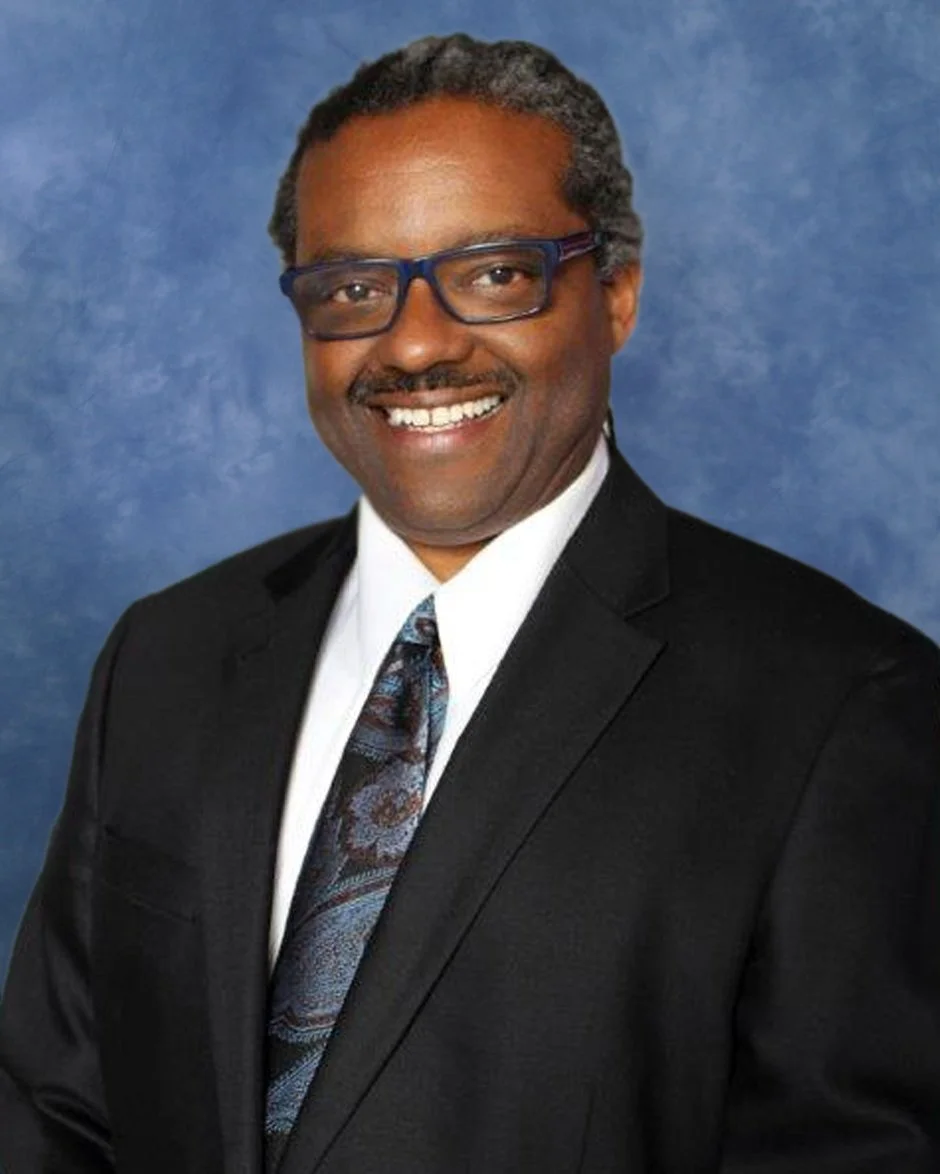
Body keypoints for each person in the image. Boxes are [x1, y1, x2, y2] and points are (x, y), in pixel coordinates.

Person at [1, 32, 938, 1174]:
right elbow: (52, 1113)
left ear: (618, 296)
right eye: (353, 286)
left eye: (494, 272)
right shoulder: (169, 655)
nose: (415, 342)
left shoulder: (841, 703)